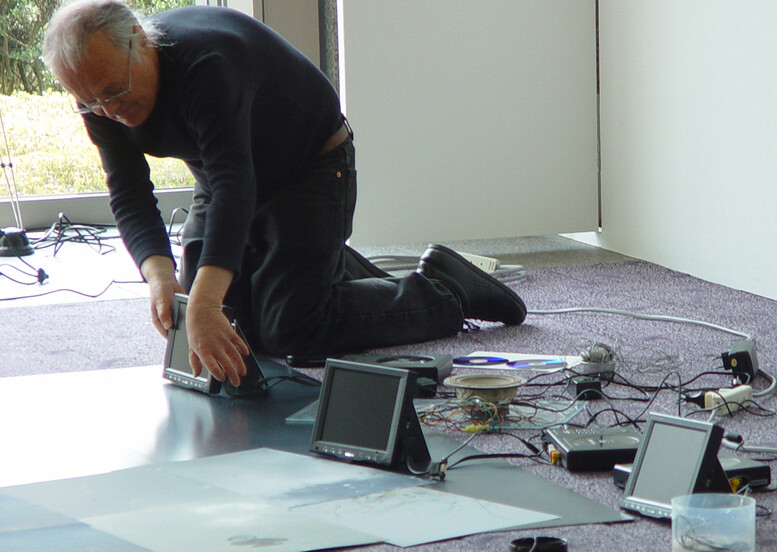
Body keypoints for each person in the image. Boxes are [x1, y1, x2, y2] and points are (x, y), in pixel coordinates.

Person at [42, 0, 525, 387]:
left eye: (115, 90)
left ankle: (445, 290)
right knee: (232, 326)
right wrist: (158, 276)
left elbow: (238, 184)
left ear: (140, 43)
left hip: (309, 167)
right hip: (222, 175)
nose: (109, 109)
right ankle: (322, 266)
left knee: (291, 328)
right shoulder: (97, 95)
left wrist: (206, 303)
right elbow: (128, 190)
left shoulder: (204, 65)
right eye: (90, 102)